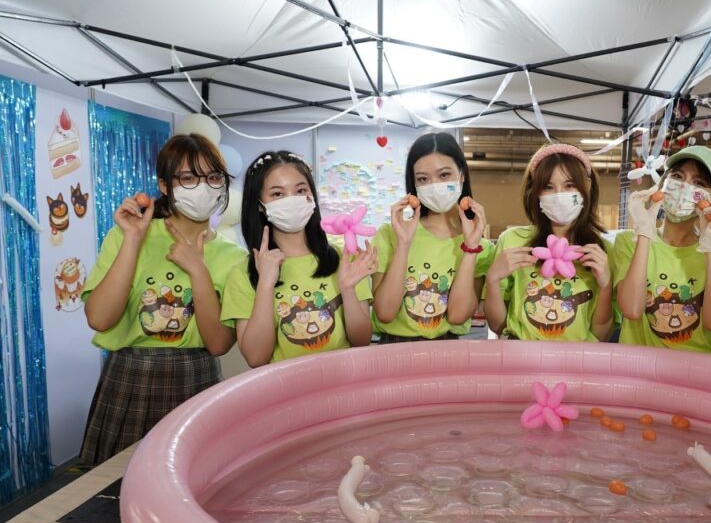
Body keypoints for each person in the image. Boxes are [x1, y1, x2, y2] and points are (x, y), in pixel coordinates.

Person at [80, 134, 246, 464]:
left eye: (213, 177)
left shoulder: (235, 257)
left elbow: (218, 345)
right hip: (131, 375)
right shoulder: (128, 233)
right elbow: (99, 318)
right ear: (165, 185)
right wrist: (133, 240)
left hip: (197, 376)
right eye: (189, 178)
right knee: (118, 486)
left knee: (193, 481)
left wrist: (198, 270)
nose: (203, 188)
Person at [220, 151, 376, 366]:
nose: (291, 200)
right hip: (285, 386)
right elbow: (256, 358)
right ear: (259, 204)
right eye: (277, 194)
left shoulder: (345, 259)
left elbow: (362, 340)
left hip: (343, 380)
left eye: (301, 190)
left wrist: (347, 290)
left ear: (312, 196)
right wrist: (265, 284)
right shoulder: (243, 273)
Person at [614, 147, 711, 352]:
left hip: (698, 367)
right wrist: (645, 231)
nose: (684, 187)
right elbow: (632, 309)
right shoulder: (629, 242)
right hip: (640, 365)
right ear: (663, 182)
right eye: (677, 176)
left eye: (698, 183)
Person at [484, 144, 614, 341]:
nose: (559, 195)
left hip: (577, 358)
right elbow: (498, 326)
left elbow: (601, 335)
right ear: (536, 192)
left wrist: (606, 287)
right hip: (521, 355)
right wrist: (492, 280)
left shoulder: (602, 252)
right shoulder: (513, 241)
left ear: (587, 186)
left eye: (569, 185)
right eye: (548, 187)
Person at [372, 133, 493, 343]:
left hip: (447, 350)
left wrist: (471, 248)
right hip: (394, 349)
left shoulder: (481, 248)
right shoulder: (390, 234)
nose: (434, 185)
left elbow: (457, 316)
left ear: (462, 175)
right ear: (414, 184)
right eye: (423, 179)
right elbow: (385, 312)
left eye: (444, 175)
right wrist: (403, 245)